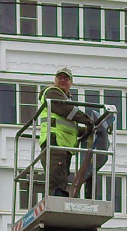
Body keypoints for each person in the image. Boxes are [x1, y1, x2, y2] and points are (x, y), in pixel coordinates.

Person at [36, 67, 93, 197]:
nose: (63, 80)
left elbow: (69, 126)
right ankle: (56, 198)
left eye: (66, 78)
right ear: (55, 80)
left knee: (61, 175)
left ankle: (59, 196)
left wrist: (86, 130)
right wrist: (88, 121)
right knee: (56, 175)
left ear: (71, 83)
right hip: (55, 140)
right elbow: (66, 110)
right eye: (60, 77)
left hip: (63, 144)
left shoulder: (67, 99)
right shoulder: (52, 92)